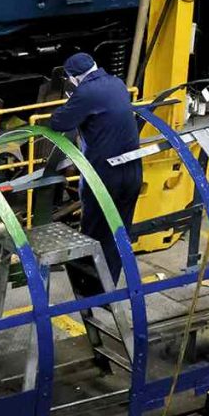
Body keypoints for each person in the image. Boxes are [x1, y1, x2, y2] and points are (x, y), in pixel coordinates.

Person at [49, 53, 142, 282]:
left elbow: (59, 122)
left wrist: (72, 99)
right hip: (132, 171)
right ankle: (111, 285)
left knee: (94, 233)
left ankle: (91, 289)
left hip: (103, 176)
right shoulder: (117, 83)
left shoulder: (86, 92)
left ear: (75, 78)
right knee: (119, 231)